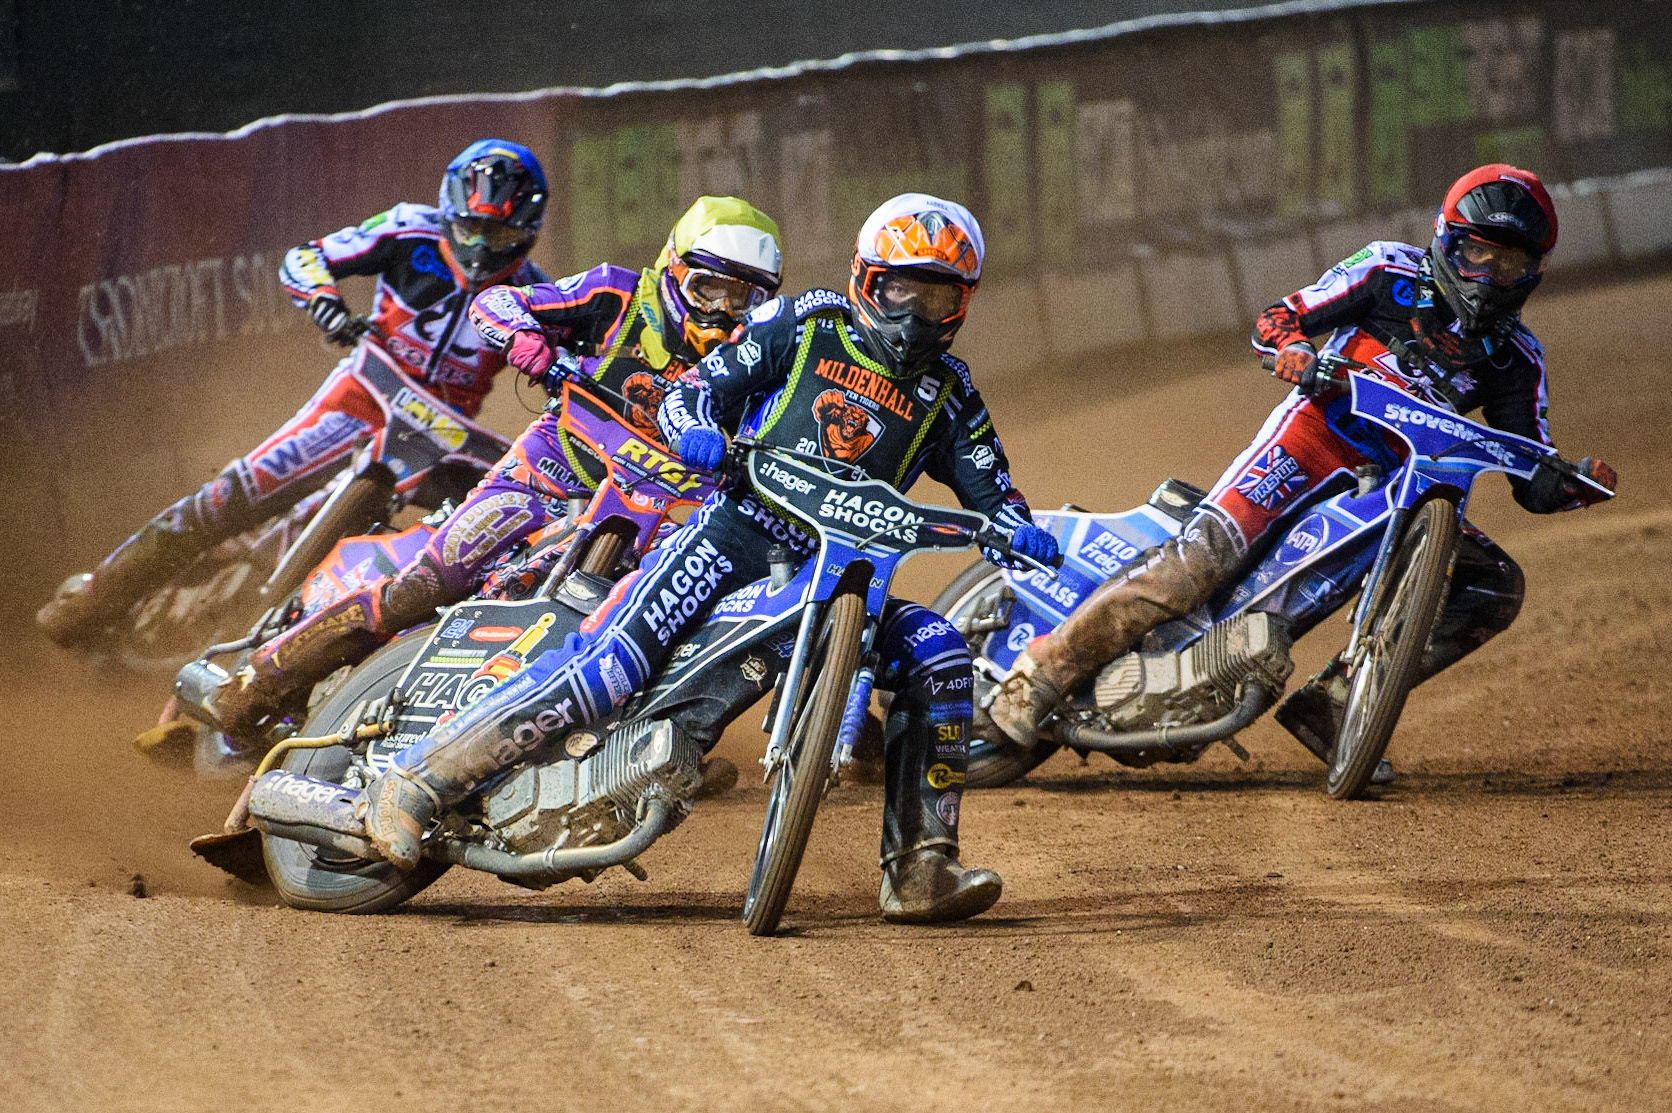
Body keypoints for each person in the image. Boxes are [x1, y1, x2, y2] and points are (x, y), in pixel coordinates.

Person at [356, 193, 1060, 924]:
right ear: (866, 277)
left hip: (850, 575)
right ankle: (416, 781)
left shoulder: (951, 396)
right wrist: (694, 426)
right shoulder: (803, 322)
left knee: (939, 651)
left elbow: (992, 487)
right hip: (732, 536)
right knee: (608, 669)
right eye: (900, 289)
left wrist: (1017, 528)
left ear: (962, 302)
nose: (914, 312)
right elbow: (699, 389)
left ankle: (920, 865)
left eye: (937, 294)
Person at [986, 164, 1618, 769]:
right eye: (1477, 254)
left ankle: (1337, 706)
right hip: (1312, 440)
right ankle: (1040, 677)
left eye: (1510, 264)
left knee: (1493, 587)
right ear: (1445, 242)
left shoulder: (1517, 359)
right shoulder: (1386, 271)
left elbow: (1530, 470)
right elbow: (1278, 317)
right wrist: (1292, 348)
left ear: (1536, 269)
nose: (1490, 275)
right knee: (1195, 568)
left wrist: (1574, 482)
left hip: (1404, 491)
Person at [202, 196, 784, 741]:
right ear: (674, 270)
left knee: (671, 617)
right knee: (431, 582)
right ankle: (261, 682)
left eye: (746, 298)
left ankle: (645, 740)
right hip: (553, 473)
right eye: (711, 288)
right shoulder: (618, 295)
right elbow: (497, 301)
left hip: (660, 509)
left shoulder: (760, 355)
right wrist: (528, 340)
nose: (725, 312)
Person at [37, 139, 550, 647]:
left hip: (439, 436)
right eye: (473, 226)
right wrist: (327, 305)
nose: (482, 246)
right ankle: (97, 593)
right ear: (448, 210)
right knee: (234, 494)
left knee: (437, 545)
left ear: (526, 233)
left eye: (500, 232)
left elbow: (579, 368)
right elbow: (306, 258)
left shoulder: (536, 296)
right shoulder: (408, 229)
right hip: (364, 394)